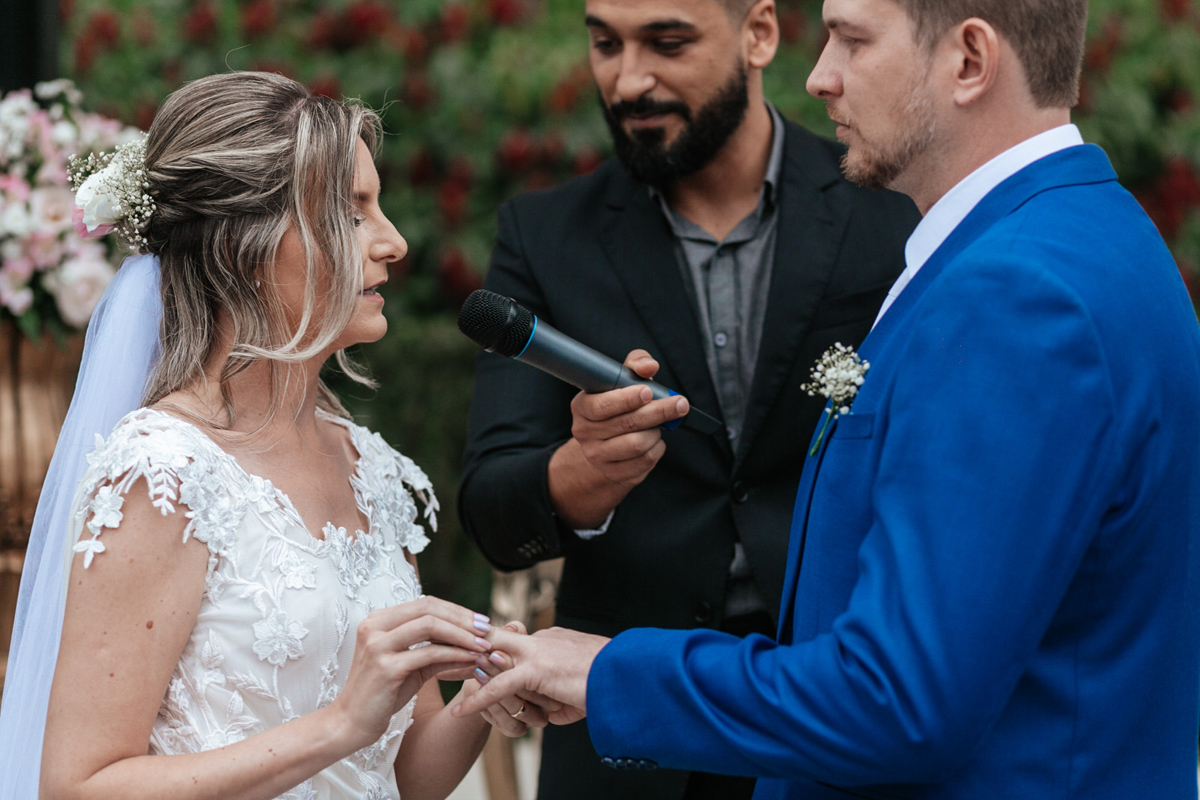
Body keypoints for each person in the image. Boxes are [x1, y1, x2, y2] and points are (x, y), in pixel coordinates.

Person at [458, 0, 1200, 797]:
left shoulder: (1011, 294)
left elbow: (898, 701)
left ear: (969, 61)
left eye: (851, 39)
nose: (818, 77)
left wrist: (609, 672)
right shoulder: (1100, 230)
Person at [0, 71, 537, 800]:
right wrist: (339, 725)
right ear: (244, 245)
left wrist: (487, 692)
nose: (395, 242)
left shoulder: (369, 467)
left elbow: (402, 774)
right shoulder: (164, 474)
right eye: (351, 214)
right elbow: (79, 787)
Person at [458, 0, 918, 795]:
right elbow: (492, 510)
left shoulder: (890, 207)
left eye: (667, 43)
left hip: (833, 715)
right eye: (606, 44)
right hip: (624, 743)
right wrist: (581, 477)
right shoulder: (545, 234)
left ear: (759, 34)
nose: (629, 79)